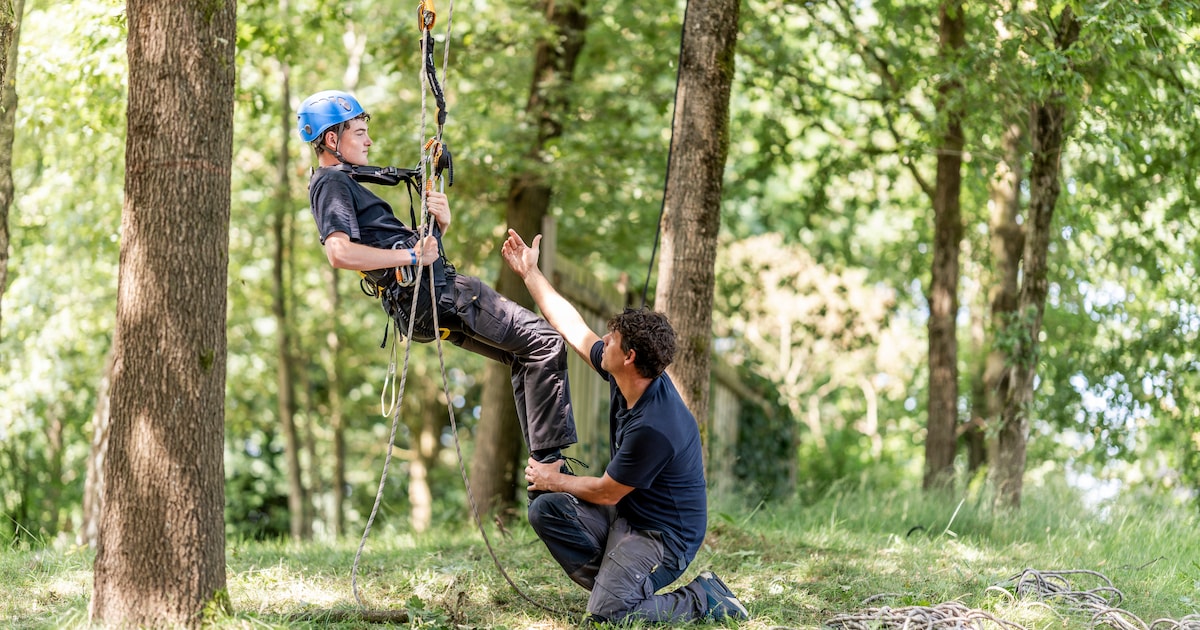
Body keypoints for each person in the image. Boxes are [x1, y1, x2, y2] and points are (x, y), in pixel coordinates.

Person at [297, 89, 577, 473]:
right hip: (440, 294)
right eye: (360, 132)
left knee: (524, 354)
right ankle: (550, 467)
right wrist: (413, 255)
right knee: (544, 342)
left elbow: (383, 245)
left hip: (426, 304)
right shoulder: (331, 184)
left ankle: (543, 467)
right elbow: (339, 253)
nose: (369, 140)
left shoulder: (345, 184)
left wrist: (436, 227)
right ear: (332, 139)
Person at [500, 229, 750, 624]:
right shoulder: (628, 377)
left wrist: (555, 479)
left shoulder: (655, 426)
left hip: (662, 537)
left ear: (630, 357)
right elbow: (573, 327)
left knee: (611, 617)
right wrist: (530, 273)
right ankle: (617, 587)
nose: (604, 341)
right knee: (547, 510)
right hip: (629, 516)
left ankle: (704, 598)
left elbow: (605, 490)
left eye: (612, 339)